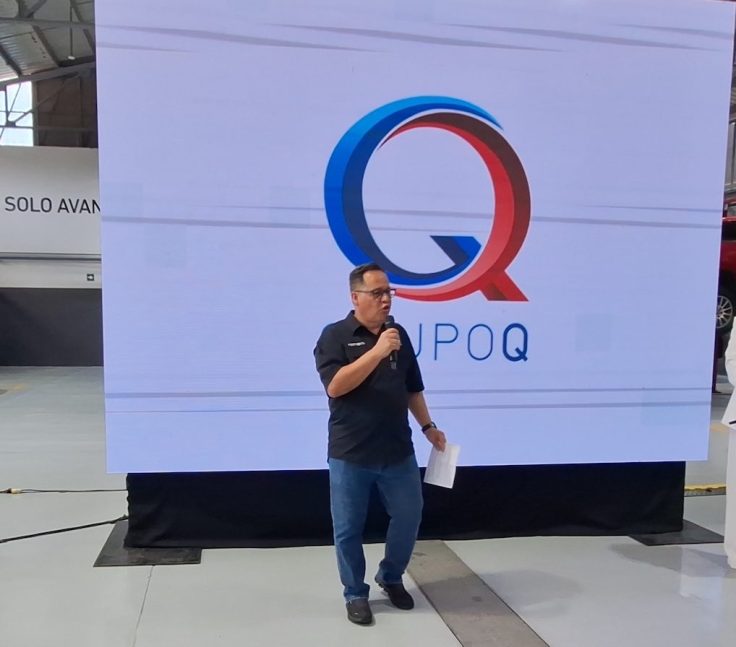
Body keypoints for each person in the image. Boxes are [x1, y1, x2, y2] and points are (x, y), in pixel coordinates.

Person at [314, 262, 447, 626]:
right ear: (355, 297)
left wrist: (428, 426)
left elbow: (412, 388)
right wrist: (376, 351)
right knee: (348, 528)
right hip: (351, 452)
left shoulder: (397, 334)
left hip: (397, 450)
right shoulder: (335, 336)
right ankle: (355, 593)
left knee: (409, 515)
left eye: (389, 292)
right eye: (377, 293)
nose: (386, 299)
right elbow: (336, 386)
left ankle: (390, 576)